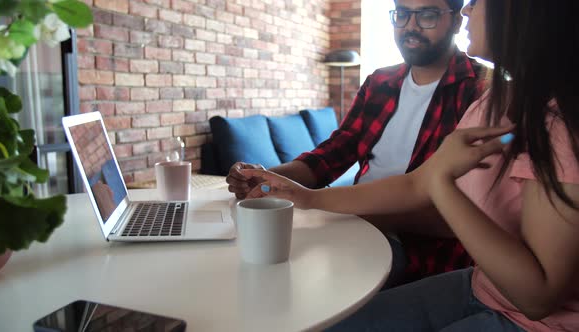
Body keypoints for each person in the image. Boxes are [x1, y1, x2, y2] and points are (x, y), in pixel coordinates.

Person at [240, 0, 579, 330]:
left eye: (428, 15)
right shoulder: (494, 102)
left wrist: (439, 184)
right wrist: (302, 195)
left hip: (525, 312)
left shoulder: (531, 111)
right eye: (401, 14)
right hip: (484, 286)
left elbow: (537, 300)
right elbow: (416, 181)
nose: (467, 8)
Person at [228, 0, 487, 287]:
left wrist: (351, 210)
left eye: (427, 15)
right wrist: (266, 176)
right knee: (250, 262)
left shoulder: (481, 91)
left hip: (421, 251)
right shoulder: (380, 82)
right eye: (402, 14)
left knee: (296, 283)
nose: (410, 27)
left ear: (456, 21)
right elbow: (333, 153)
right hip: (355, 222)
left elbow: (467, 210)